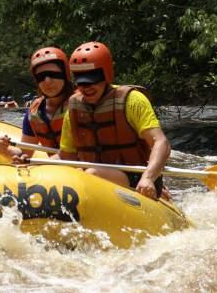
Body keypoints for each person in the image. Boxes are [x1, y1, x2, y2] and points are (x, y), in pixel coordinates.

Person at [59, 41, 171, 199]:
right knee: (78, 173)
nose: (87, 87)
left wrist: (148, 178)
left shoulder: (132, 100)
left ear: (106, 75)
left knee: (92, 173)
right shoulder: (74, 107)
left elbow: (161, 143)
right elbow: (66, 157)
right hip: (93, 176)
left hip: (137, 179)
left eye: (93, 79)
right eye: (81, 82)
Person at [0, 47, 73, 162]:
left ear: (65, 74)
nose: (47, 81)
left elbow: (75, 155)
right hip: (58, 172)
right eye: (41, 77)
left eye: (53, 74)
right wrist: (6, 150)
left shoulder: (82, 104)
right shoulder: (34, 113)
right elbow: (25, 153)